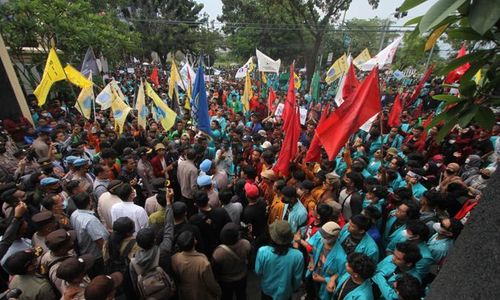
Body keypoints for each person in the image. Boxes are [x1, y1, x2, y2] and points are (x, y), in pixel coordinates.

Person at [255, 220, 304, 300]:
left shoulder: (262, 251)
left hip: (267, 290)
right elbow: (297, 279)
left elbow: (258, 271)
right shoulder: (298, 255)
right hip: (285, 292)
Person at [171, 231, 222, 300]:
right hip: (201, 294)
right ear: (195, 242)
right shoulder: (203, 262)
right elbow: (210, 283)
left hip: (185, 293)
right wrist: (218, 291)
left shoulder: (174, 258)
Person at [70, 192, 109, 278]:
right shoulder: (90, 220)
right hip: (97, 256)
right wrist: (107, 257)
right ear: (90, 202)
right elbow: (99, 241)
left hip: (85, 251)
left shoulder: (74, 214)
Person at [212, 223, 251, 300]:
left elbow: (216, 271)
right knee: (241, 295)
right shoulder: (245, 244)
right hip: (241, 276)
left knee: (226, 296)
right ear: (237, 236)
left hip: (226, 281)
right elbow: (249, 256)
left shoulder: (219, 253)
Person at [189, 191, 231, 257]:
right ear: (208, 199)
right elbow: (229, 226)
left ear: (195, 204)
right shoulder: (221, 211)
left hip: (207, 251)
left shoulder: (193, 220)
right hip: (223, 245)